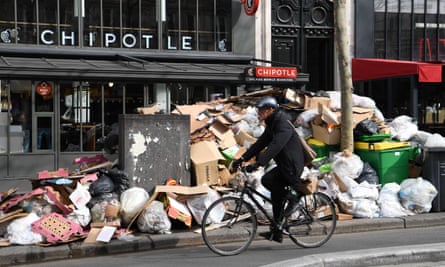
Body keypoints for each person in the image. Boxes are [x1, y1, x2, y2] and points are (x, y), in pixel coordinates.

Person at [231, 96, 306, 243]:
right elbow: (260, 143)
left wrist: (259, 163)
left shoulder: (282, 123)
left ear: (271, 110)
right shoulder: (272, 123)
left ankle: (296, 197)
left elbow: (275, 146)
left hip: (292, 166)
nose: (259, 113)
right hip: (284, 165)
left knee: (273, 186)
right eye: (258, 110)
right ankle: (277, 231)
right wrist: (242, 159)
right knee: (273, 190)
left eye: (262, 110)